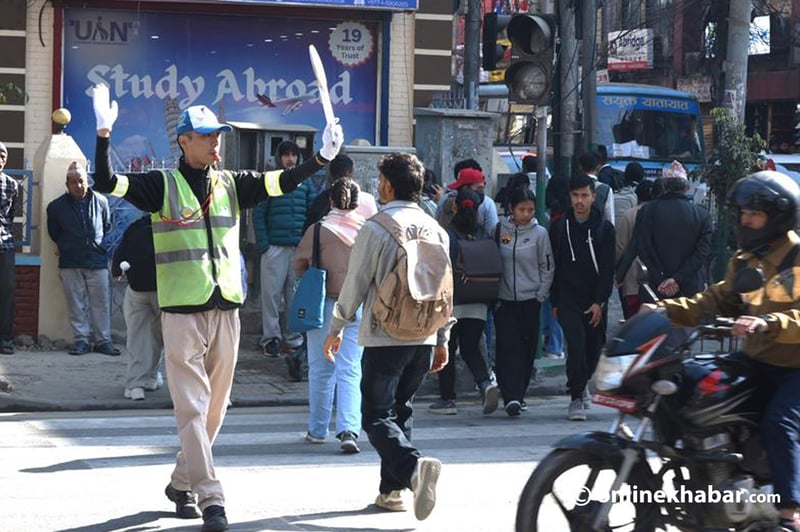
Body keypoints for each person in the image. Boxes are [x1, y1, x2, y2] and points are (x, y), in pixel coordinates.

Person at [90, 84, 343, 532]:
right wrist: (105, 135)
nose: (215, 142)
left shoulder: (231, 182)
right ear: (184, 141)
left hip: (225, 309)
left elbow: (280, 183)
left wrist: (319, 159)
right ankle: (212, 498)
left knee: (215, 410)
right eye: (206, 136)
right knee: (191, 407)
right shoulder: (160, 185)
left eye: (217, 135)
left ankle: (180, 483)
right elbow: (107, 184)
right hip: (181, 312)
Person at [640, 170, 800, 532]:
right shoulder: (746, 259)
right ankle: (710, 480)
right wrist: (667, 311)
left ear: (777, 217)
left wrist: (769, 321)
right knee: (694, 383)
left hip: (795, 368)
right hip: (757, 359)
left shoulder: (797, 258)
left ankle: (789, 514)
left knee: (780, 422)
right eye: (742, 214)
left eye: (753, 215)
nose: (745, 221)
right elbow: (716, 299)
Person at [322, 152, 452, 521]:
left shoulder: (376, 227)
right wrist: (442, 338)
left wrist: (336, 328)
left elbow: (355, 284)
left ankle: (411, 469)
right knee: (401, 410)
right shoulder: (436, 228)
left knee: (376, 415)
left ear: (388, 185)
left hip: (385, 335)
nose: (377, 187)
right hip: (424, 336)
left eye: (380, 181)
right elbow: (445, 289)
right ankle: (391, 490)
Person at [294, 177, 365, 452]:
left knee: (321, 367)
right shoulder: (366, 230)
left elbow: (299, 264)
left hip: (323, 305)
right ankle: (349, 429)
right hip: (357, 304)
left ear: (331, 201)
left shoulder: (318, 230)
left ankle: (317, 428)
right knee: (351, 368)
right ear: (358, 203)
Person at [549, 174, 615, 421]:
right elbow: (554, 265)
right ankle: (576, 395)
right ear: (570, 197)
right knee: (575, 345)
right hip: (568, 297)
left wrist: (600, 301)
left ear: (593, 197)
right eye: (575, 195)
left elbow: (608, 269)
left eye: (584, 195)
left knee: (592, 348)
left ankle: (583, 382)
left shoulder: (604, 229)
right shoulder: (559, 227)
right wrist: (554, 301)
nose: (580, 200)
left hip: (594, 297)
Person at [428, 187, 500, 416]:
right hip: (479, 301)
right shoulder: (484, 234)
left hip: (453, 302)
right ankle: (485, 383)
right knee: (471, 348)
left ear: (455, 206)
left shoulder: (448, 235)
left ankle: (448, 399)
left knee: (446, 348)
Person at [46, 161, 120, 357]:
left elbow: (105, 226)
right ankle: (81, 341)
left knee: (101, 302)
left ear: (88, 181)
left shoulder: (101, 201)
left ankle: (103, 341)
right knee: (76, 302)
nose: (78, 185)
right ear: (67, 184)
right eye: (73, 182)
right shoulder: (56, 207)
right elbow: (54, 233)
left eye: (81, 181)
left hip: (97, 259)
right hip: (70, 261)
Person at [495, 187, 554, 416]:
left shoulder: (540, 234)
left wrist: (540, 295)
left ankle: (520, 393)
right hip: (504, 300)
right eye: (522, 209)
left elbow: (547, 267)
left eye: (530, 210)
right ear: (512, 209)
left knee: (526, 349)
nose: (526, 214)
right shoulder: (500, 230)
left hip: (531, 300)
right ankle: (510, 395)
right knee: (507, 347)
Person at [253, 140, 314, 361]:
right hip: (274, 248)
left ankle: (293, 339)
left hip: (298, 248)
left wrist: (307, 245)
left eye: (294, 155)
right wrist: (264, 245)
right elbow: (258, 214)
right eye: (286, 155)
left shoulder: (306, 183)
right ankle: (271, 339)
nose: (290, 159)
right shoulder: (271, 180)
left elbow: (312, 212)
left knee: (295, 296)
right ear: (279, 158)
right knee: (270, 295)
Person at [632, 160, 711, 299]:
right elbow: (701, 253)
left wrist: (661, 278)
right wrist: (677, 279)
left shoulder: (647, 211)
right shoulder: (702, 215)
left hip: (656, 288)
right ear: (686, 187)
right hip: (691, 291)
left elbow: (643, 248)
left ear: (664, 186)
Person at [111, 215, 163, 401]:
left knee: (137, 338)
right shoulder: (174, 225)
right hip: (164, 290)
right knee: (159, 338)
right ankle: (150, 377)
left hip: (137, 287)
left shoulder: (137, 226)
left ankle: (135, 384)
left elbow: (121, 250)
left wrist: (116, 270)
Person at [615, 179, 656, 318]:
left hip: (631, 277)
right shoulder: (659, 215)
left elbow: (620, 247)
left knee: (632, 321)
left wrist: (618, 273)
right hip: (656, 279)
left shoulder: (629, 215)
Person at [305, 153, 378, 228]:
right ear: (349, 173)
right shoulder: (368, 200)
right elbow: (375, 230)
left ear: (330, 174)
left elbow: (308, 230)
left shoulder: (321, 200)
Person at [436, 160, 499, 235]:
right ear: (465, 187)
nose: (481, 192)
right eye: (478, 188)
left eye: (482, 188)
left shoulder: (488, 204)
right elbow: (492, 233)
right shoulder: (487, 204)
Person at [0, 142, 18, 355]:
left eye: (3, 154)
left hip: (5, 245)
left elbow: (10, 216)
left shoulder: (12, 185)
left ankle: (5, 339)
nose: (0, 158)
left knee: (7, 292)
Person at [578, 151, 615, 225]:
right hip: (597, 234)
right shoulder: (606, 190)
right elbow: (610, 219)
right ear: (598, 167)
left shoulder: (572, 187)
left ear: (580, 166)